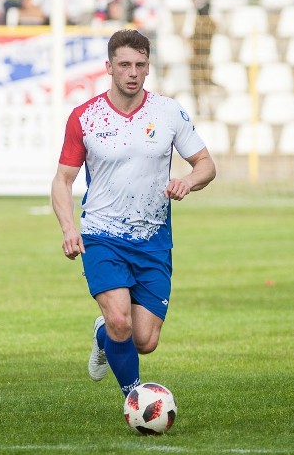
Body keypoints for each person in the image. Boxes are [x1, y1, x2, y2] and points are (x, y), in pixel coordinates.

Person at [51, 29, 216, 398]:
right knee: (121, 321)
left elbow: (206, 164)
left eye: (140, 65)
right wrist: (68, 228)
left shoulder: (167, 112)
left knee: (144, 340)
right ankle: (136, 398)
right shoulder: (85, 117)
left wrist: (188, 182)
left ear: (147, 68)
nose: (132, 72)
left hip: (153, 238)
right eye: (124, 64)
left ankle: (102, 334)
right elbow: (62, 181)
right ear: (109, 67)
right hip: (101, 234)